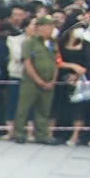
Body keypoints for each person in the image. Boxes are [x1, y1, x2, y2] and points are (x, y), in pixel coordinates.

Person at [13, 14, 62, 143]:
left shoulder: (53, 43)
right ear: (39, 27)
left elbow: (57, 62)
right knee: (23, 108)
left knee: (44, 109)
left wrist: (53, 80)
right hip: (31, 82)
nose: (51, 28)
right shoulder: (29, 42)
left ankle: (42, 135)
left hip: (49, 81)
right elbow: (27, 63)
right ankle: (19, 133)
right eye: (48, 25)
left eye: (52, 25)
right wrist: (38, 80)